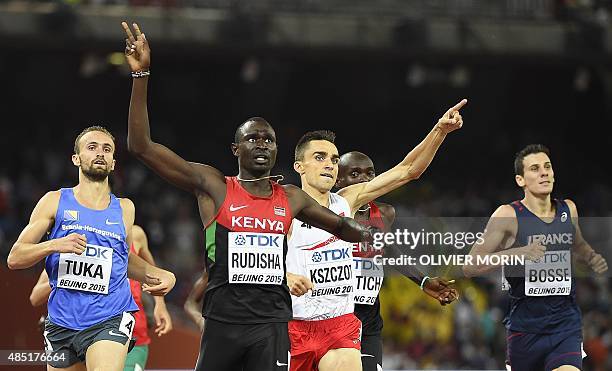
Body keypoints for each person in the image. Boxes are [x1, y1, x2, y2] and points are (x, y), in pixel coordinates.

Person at [121, 22, 374, 371]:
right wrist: (141, 75)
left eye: (268, 139)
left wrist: (373, 234)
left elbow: (342, 226)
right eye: (253, 138)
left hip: (272, 327)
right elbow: (142, 147)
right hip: (222, 324)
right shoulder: (214, 186)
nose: (262, 144)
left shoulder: (292, 198)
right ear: (235, 148)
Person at [286, 100, 466, 371]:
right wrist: (286, 276)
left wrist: (439, 130)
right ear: (299, 166)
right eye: (320, 158)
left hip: (341, 326)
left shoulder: (347, 200)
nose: (329, 165)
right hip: (294, 324)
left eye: (334, 160)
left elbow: (408, 170)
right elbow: (260, 254)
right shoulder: (283, 204)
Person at [7, 126, 176, 371]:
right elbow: (15, 257)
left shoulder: (125, 209)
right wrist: (56, 244)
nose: (100, 153)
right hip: (62, 320)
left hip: (110, 316)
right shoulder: (54, 201)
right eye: (92, 147)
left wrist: (161, 274)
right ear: (76, 158)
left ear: (113, 162)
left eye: (107, 149)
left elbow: (124, 260)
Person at [463, 144, 608, 371]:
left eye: (547, 167)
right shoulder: (508, 215)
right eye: (535, 168)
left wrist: (589, 257)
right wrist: (518, 253)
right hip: (525, 331)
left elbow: (577, 243)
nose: (544, 172)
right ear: (521, 180)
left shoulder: (568, 210)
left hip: (565, 325)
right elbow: (470, 266)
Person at [336, 151, 458, 371]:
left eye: (370, 174)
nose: (365, 179)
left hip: (369, 318)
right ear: (338, 181)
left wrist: (423, 281)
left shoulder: (384, 213)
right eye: (355, 174)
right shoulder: (329, 213)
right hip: (334, 316)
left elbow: (387, 249)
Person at [29, 225, 172, 371]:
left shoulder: (135, 234)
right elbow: (35, 297)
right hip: (87, 334)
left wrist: (160, 304)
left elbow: (149, 266)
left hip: (133, 332)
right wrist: (67, 273)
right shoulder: (73, 245)